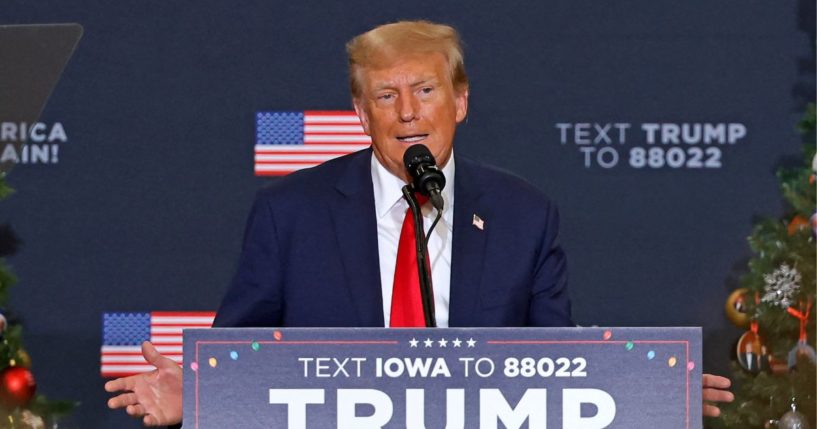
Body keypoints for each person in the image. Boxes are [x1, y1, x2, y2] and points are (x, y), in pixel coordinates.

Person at [106, 20, 733, 426]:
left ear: (460, 99)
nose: (407, 113)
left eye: (425, 91)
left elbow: (554, 371)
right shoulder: (290, 214)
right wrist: (199, 398)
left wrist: (647, 390)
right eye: (385, 96)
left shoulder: (523, 216)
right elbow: (242, 359)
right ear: (360, 110)